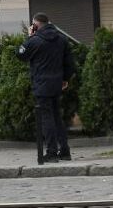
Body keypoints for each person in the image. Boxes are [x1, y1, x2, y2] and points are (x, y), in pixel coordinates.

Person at [16, 12, 75, 162]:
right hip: (57, 84)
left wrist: (29, 36)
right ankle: (65, 151)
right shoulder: (62, 39)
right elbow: (69, 63)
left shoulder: (35, 41)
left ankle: (51, 152)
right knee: (57, 116)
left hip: (41, 84)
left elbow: (20, 54)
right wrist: (65, 79)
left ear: (35, 25)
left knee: (46, 118)